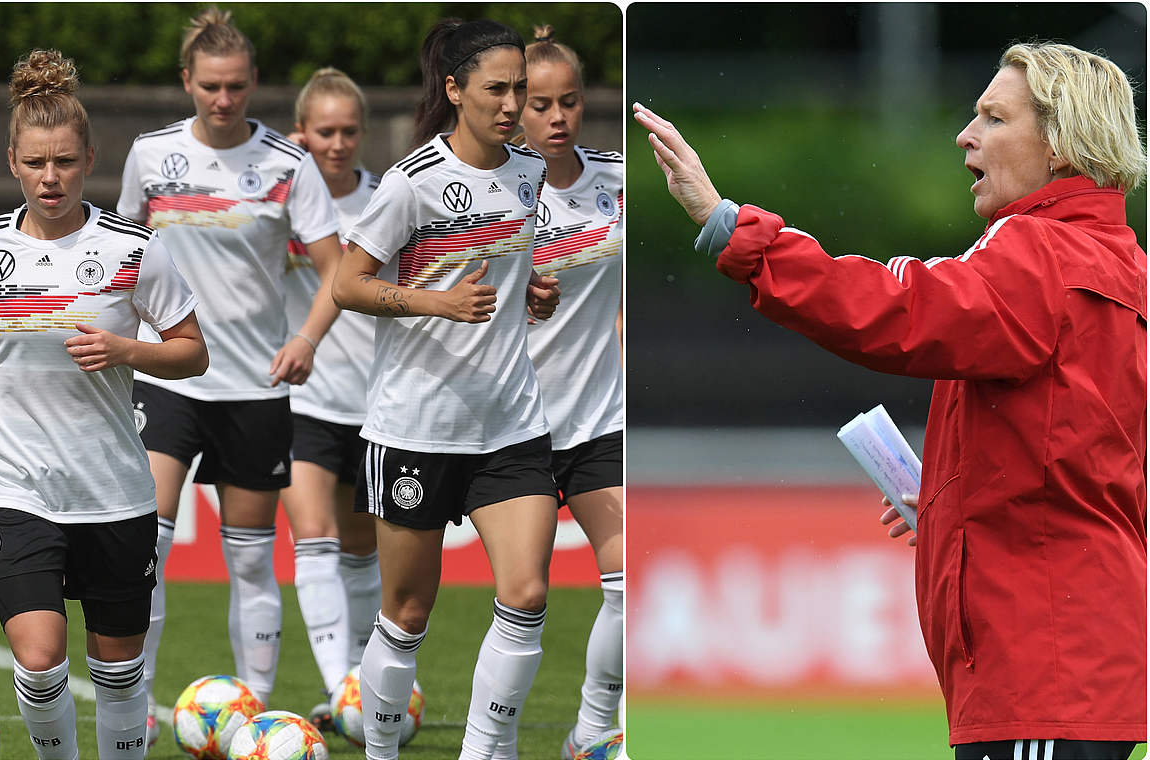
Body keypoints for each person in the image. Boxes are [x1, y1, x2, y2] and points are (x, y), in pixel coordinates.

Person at [635, 41, 1146, 760]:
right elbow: (1090, 470)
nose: (965, 136)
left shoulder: (1039, 253)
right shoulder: (1123, 261)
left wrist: (731, 228)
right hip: (1080, 660)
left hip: (1043, 666)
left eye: (993, 119)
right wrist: (945, 499)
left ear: (1061, 142)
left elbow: (895, 310)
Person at [0, 49, 207, 760]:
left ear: (89, 157)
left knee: (119, 672)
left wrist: (128, 351)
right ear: (12, 160)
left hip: (112, 489)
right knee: (38, 660)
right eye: (36, 162)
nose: (50, 177)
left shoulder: (134, 250)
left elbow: (193, 351)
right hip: (13, 485)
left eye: (65, 162)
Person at [332, 18, 562, 760]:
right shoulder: (412, 183)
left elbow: (503, 267)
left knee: (525, 595)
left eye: (520, 89)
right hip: (416, 429)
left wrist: (534, 290)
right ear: (455, 89)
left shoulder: (529, 172)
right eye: (497, 89)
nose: (511, 103)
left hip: (511, 424)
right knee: (405, 613)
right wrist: (437, 303)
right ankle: (381, 750)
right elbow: (346, 284)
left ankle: (482, 749)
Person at [115, 5, 345, 742]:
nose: (224, 100)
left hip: (254, 387)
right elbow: (122, 258)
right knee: (143, 549)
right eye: (211, 86)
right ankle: (137, 710)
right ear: (187, 81)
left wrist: (308, 337)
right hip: (169, 380)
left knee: (249, 561)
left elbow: (339, 270)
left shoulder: (288, 163)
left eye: (237, 86)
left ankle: (255, 713)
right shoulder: (151, 156)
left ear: (252, 85)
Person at [517, 25, 624, 760]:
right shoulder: (490, 189)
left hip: (599, 419)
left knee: (629, 582)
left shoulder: (619, 181)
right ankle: (486, 741)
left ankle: (588, 733)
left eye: (570, 102)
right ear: (513, 109)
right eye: (540, 104)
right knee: (516, 602)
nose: (557, 118)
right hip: (512, 426)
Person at [282, 66, 384, 725]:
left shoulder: (389, 199)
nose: (338, 143)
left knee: (361, 553)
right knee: (311, 536)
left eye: (349, 131)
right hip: (304, 398)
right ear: (302, 134)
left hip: (376, 402)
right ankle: (344, 687)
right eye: (325, 131)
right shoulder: (281, 198)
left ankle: (362, 685)